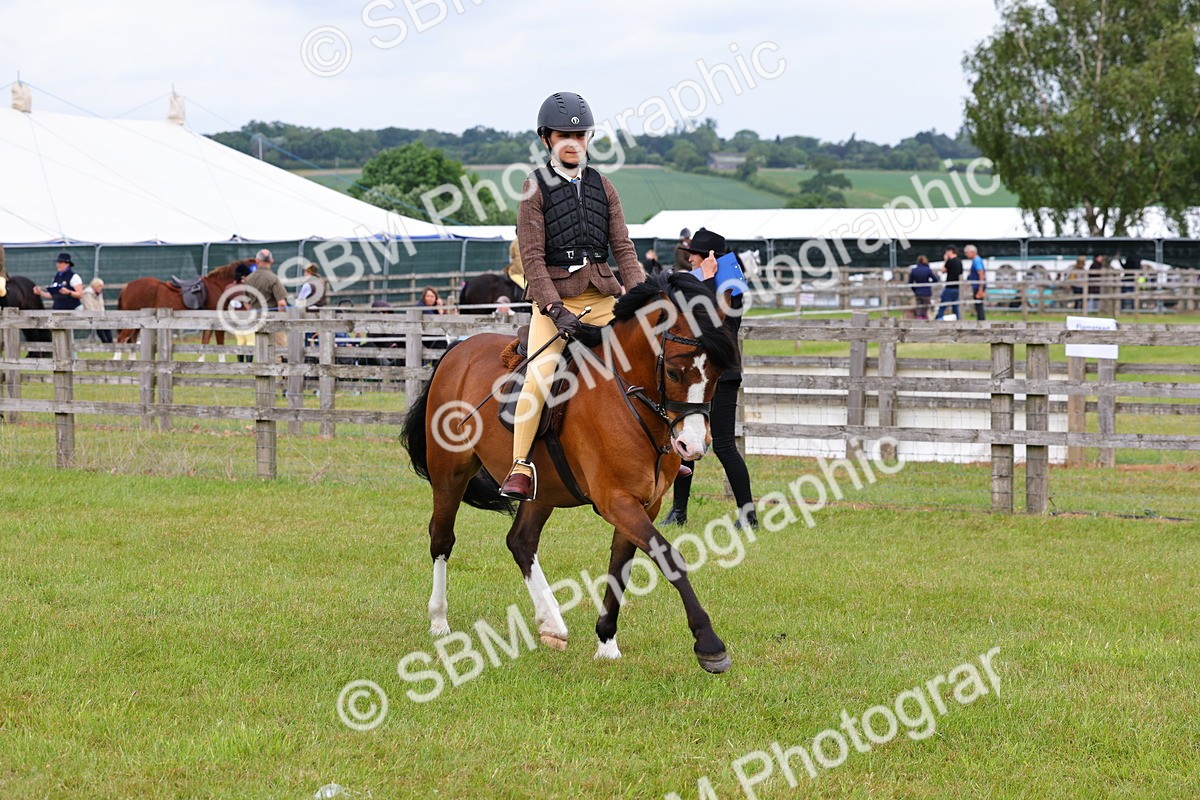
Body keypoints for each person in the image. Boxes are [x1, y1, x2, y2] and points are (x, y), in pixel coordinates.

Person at [497, 91, 646, 500]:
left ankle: (663, 448)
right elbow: (531, 257)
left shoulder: (604, 186)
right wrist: (551, 307)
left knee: (649, 353)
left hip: (602, 297)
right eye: (565, 134)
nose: (573, 142)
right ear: (547, 138)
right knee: (541, 375)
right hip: (556, 302)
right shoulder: (534, 188)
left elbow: (624, 249)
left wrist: (643, 295)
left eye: (580, 136)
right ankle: (521, 465)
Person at [660, 227, 757, 530]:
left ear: (709, 256)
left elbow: (712, 321)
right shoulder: (704, 283)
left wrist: (705, 276)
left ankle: (748, 515)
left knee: (725, 446)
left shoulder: (728, 287)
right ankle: (678, 511)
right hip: (696, 376)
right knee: (686, 440)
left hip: (720, 376)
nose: (689, 258)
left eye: (694, 254)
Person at [244, 249, 288, 350]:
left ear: (257, 261)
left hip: (257, 321)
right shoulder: (273, 278)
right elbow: (282, 303)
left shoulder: (249, 279)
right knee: (279, 350)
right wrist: (281, 319)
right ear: (271, 261)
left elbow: (246, 303)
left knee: (261, 350)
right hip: (273, 320)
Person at [80, 278, 113, 344]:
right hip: (89, 316)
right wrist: (98, 317)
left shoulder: (99, 294)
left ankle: (110, 343)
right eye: (99, 286)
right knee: (99, 325)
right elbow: (89, 307)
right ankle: (105, 343)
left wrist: (103, 316)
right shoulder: (87, 293)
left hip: (99, 316)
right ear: (94, 286)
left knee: (106, 324)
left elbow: (101, 306)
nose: (101, 288)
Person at [935, 245, 962, 321]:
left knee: (943, 305)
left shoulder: (950, 261)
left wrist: (945, 260)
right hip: (957, 287)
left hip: (949, 287)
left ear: (950, 251)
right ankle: (957, 320)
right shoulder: (959, 261)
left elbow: (943, 270)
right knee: (955, 306)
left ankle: (938, 320)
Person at [965, 244, 987, 321]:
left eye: (967, 252)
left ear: (972, 252)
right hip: (977, 285)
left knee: (979, 305)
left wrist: (980, 289)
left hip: (978, 286)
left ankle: (981, 322)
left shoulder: (977, 260)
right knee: (978, 305)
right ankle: (980, 321)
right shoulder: (976, 260)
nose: (966, 254)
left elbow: (981, 274)